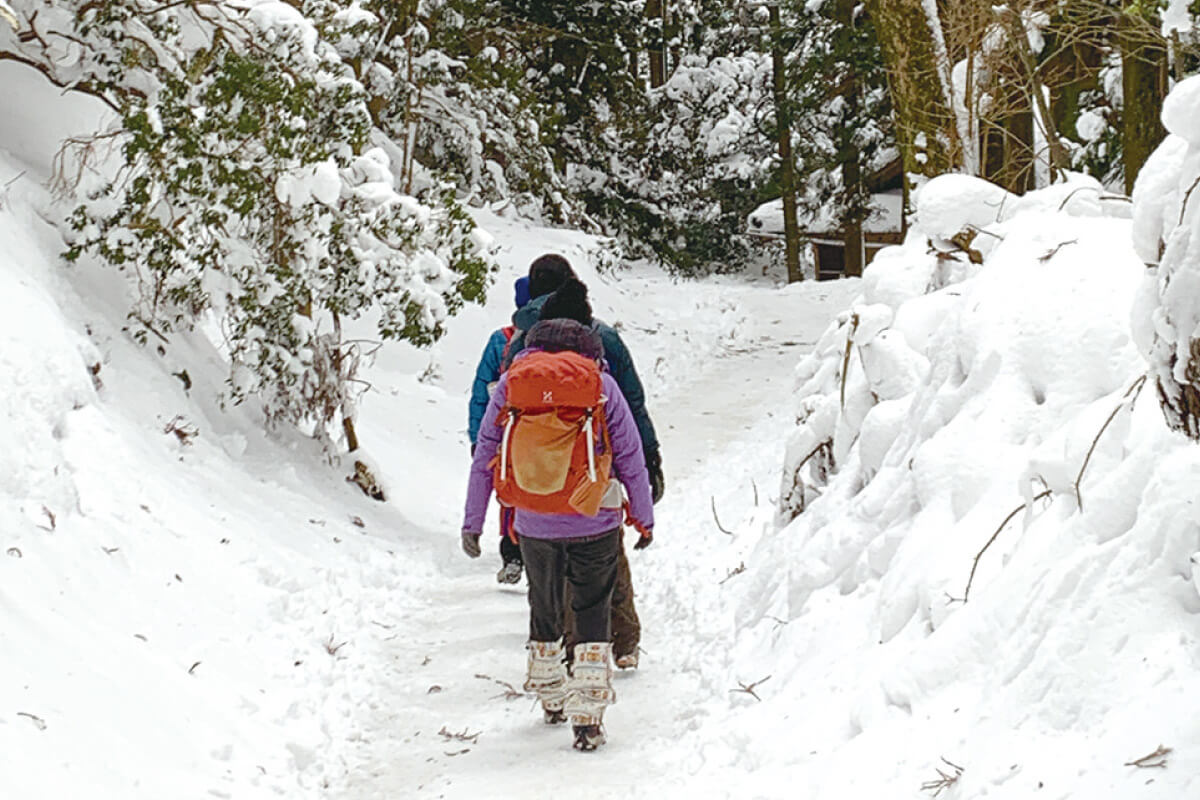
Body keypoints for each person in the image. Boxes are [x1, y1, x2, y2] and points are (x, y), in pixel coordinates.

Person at [461, 318, 654, 751]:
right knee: (591, 608)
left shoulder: (513, 386)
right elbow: (630, 454)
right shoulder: (600, 385)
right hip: (595, 519)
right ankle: (586, 718)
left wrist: (473, 521)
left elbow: (485, 455)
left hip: (532, 519)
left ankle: (551, 696)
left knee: (544, 604)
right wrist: (643, 517)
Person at [468, 276, 532, 584]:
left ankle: (512, 554)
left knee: (509, 495)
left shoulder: (502, 339)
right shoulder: (567, 338)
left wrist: (477, 437)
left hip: (507, 433)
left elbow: (482, 392)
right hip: (549, 433)